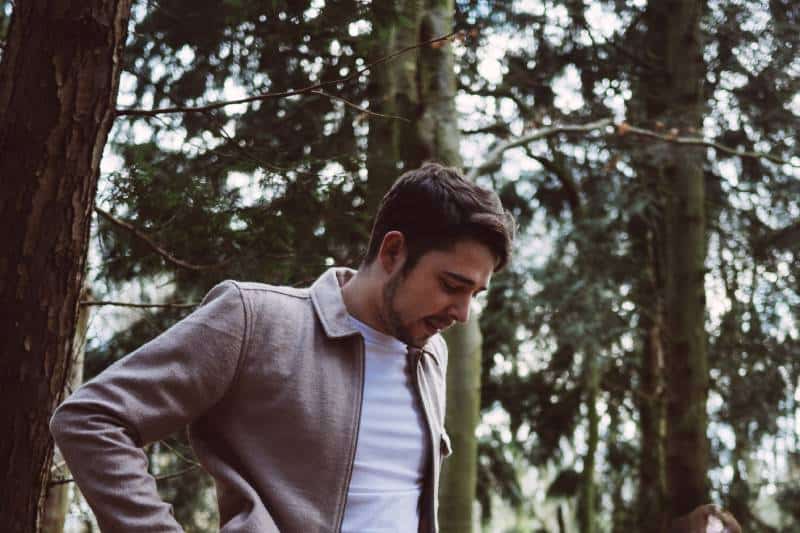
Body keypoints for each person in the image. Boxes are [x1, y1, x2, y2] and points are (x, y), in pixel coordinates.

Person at [50, 162, 516, 532]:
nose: (462, 313)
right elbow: (92, 419)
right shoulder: (257, 320)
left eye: (474, 294)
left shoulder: (430, 354)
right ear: (393, 252)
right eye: (451, 285)